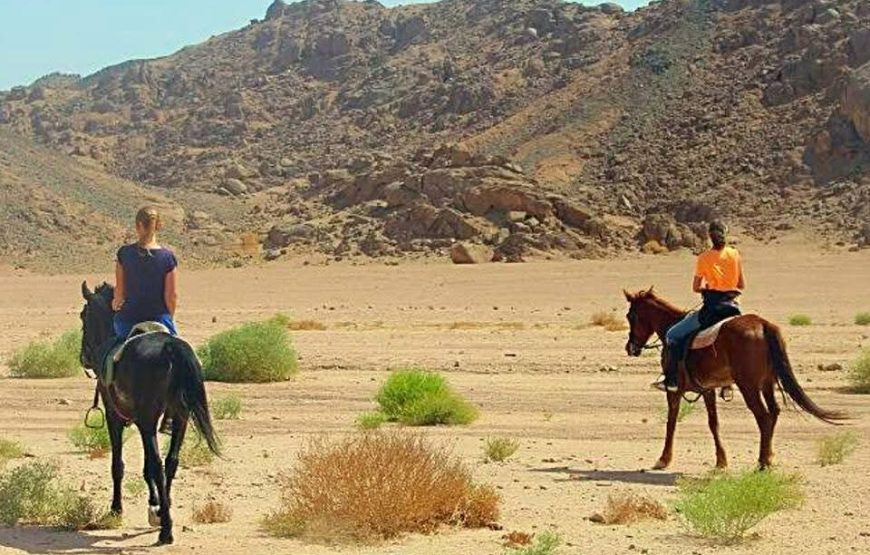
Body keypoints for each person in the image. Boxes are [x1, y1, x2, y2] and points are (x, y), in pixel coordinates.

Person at [654, 221, 745, 392]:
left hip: (712, 309)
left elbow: (696, 287)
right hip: (734, 308)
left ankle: (672, 381)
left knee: (673, 335)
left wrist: (708, 288)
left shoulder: (703, 258)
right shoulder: (735, 254)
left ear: (709, 236)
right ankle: (727, 384)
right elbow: (741, 284)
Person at [112, 207, 179, 338]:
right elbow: (171, 296)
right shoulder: (168, 257)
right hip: (160, 319)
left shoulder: (124, 253)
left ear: (138, 225)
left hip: (128, 320)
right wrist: (169, 318)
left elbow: (120, 293)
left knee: (113, 348)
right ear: (159, 226)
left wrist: (115, 303)